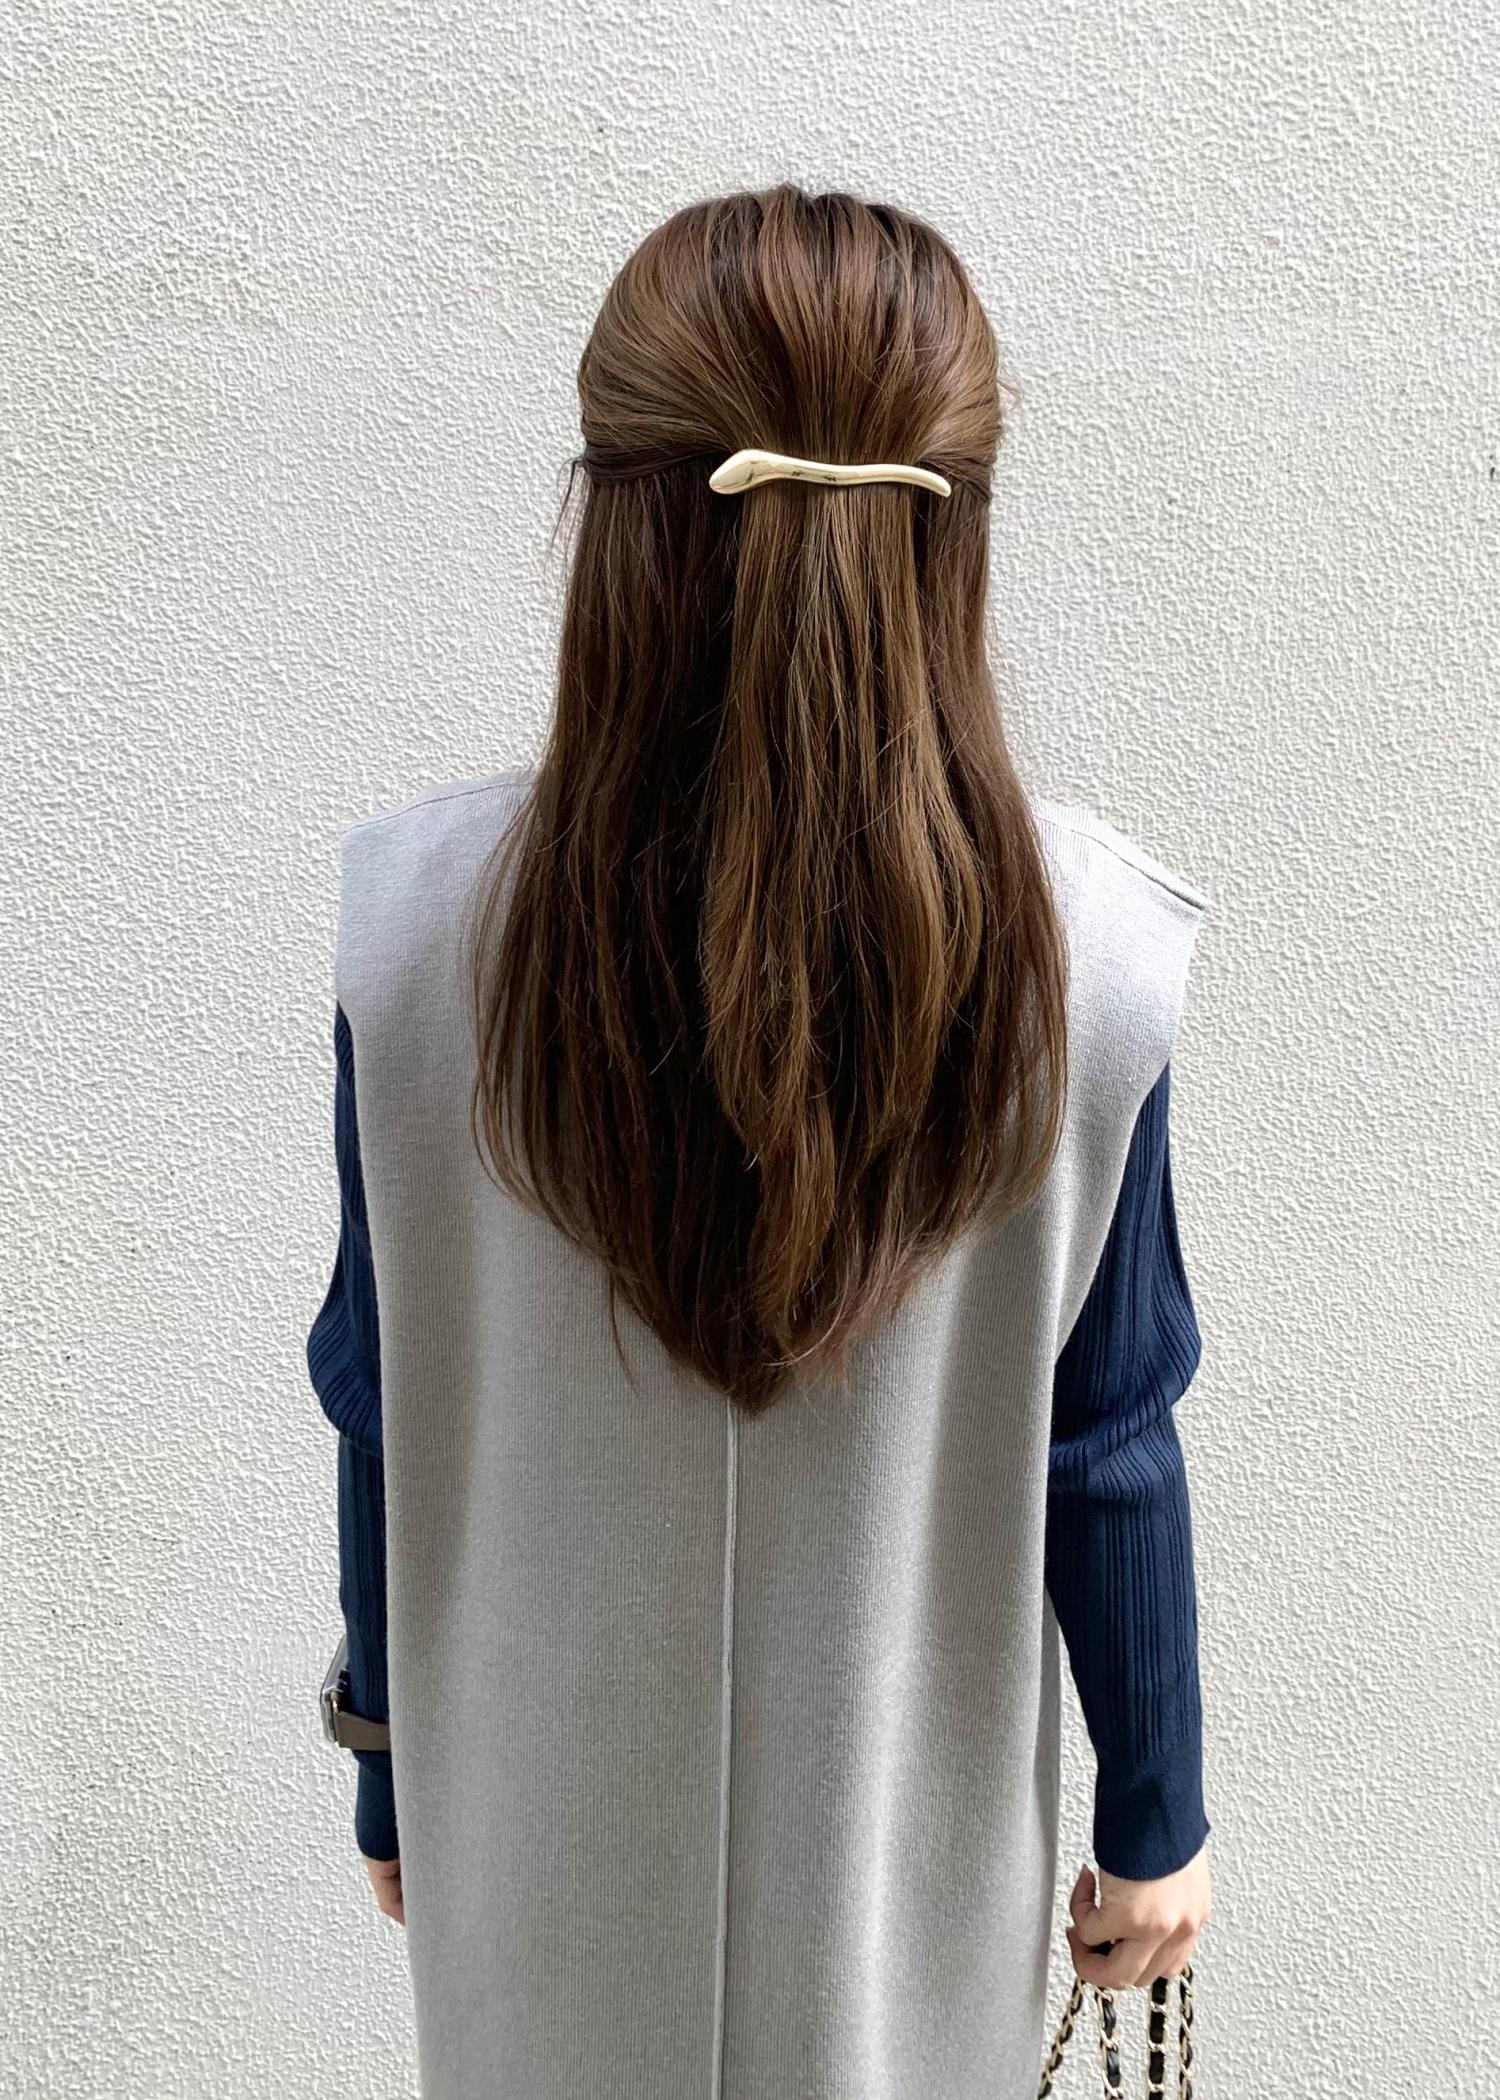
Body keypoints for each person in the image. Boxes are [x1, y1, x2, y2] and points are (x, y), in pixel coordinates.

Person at [306, 183, 1213, 2099]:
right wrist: (1158, 1814)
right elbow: (1108, 1434)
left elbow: (384, 1395)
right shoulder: (1089, 959)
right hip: (896, 1892)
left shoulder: (415, 936)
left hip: (531, 1850)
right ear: (954, 533)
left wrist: (386, 1756)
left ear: (611, 524)